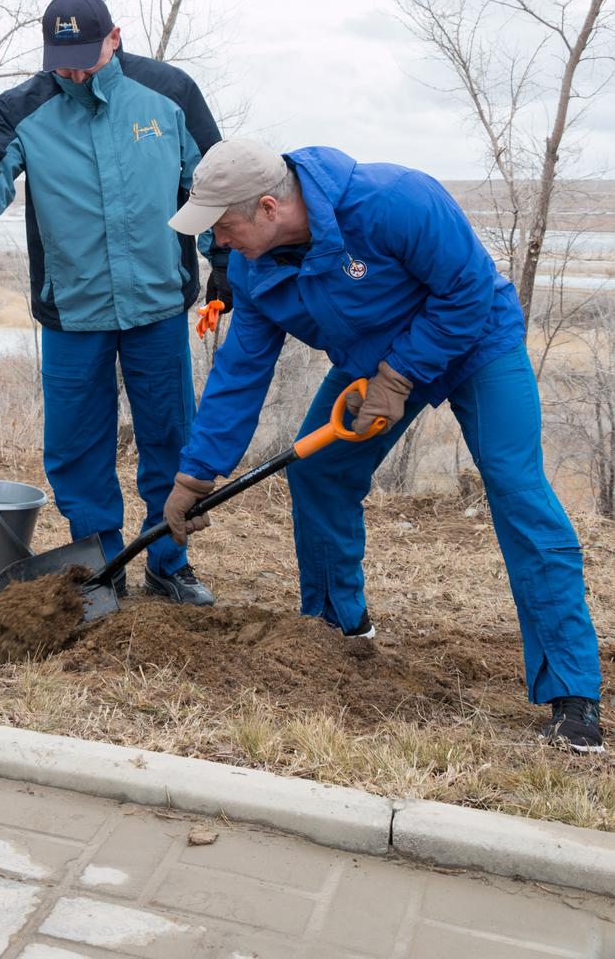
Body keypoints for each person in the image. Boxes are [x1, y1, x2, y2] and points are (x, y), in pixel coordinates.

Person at [162, 138, 603, 753]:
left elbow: (469, 293)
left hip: (477, 344)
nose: (219, 243)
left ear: (268, 208)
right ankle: (337, 629)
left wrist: (400, 376)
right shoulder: (257, 270)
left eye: (225, 227)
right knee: (318, 472)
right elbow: (240, 373)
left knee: (516, 488)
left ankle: (573, 691)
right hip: (374, 366)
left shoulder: (395, 199)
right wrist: (196, 475)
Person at [0, 0, 231, 604]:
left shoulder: (169, 95)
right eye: (61, 58)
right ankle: (101, 564)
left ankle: (167, 562)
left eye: (86, 57)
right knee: (75, 448)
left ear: (114, 38)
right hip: (72, 311)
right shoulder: (24, 106)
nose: (73, 70)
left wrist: (224, 263)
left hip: (157, 308)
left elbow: (212, 181)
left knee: (170, 440)